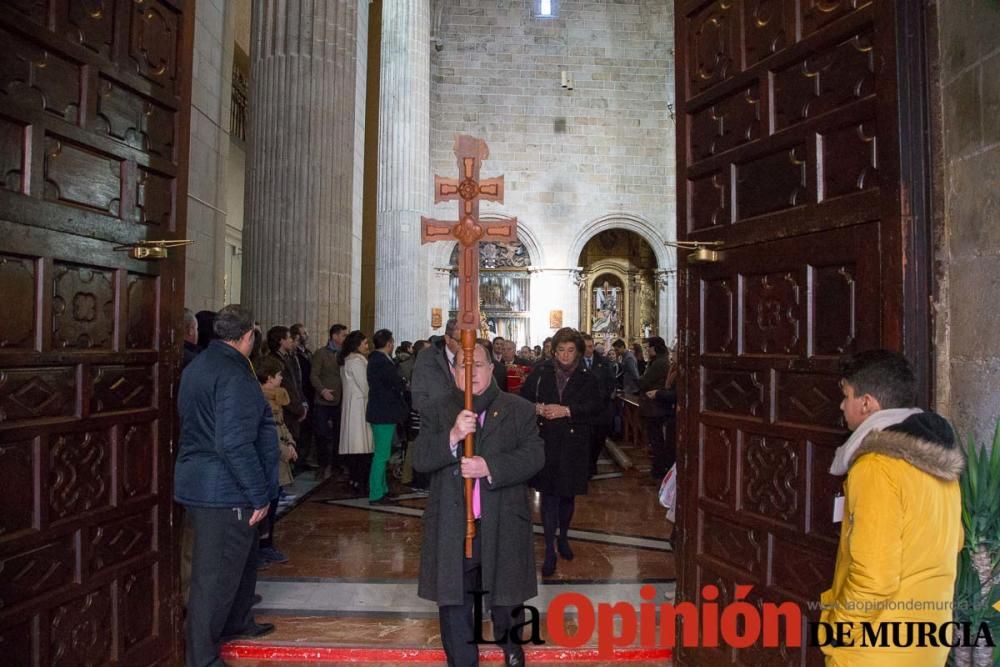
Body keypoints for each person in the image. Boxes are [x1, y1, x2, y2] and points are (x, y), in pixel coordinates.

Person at [820, 350, 963, 667]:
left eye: (846, 396)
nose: (842, 406)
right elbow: (956, 542)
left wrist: (839, 632)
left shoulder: (876, 467)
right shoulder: (938, 457)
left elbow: (874, 578)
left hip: (877, 648)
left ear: (867, 403)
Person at [413, 341, 544, 667]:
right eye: (462, 366)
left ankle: (511, 643)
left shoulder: (518, 408)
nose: (470, 372)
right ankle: (462, 660)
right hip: (453, 522)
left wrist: (490, 467)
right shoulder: (438, 410)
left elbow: (535, 456)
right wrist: (453, 437)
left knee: (505, 592)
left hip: (500, 517)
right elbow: (419, 458)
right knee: (454, 597)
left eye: (478, 365)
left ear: (491, 368)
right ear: (453, 371)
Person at [174, 304, 278, 665]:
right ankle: (202, 658)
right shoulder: (234, 374)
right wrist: (257, 494)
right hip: (224, 489)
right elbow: (233, 442)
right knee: (213, 579)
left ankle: (238, 620)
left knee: (238, 562)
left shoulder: (200, 364)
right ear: (249, 335)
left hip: (204, 480)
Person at [520, 327, 603, 577]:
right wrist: (538, 408)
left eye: (570, 350)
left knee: (567, 496)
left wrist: (567, 411)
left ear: (577, 352)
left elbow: (597, 407)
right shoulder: (542, 372)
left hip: (574, 443)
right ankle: (548, 550)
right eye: (560, 350)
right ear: (553, 351)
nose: (565, 355)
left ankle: (563, 537)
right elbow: (523, 400)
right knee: (548, 497)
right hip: (547, 441)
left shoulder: (587, 376)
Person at [256, 356, 299, 566]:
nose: (283, 378)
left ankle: (267, 544)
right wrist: (284, 450)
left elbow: (281, 424)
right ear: (270, 378)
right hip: (269, 457)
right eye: (280, 375)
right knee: (266, 503)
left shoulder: (277, 397)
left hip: (280, 455)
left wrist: (291, 443)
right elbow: (266, 431)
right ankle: (261, 547)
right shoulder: (261, 398)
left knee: (273, 503)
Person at [367, 329, 407, 505]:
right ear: (389, 343)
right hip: (383, 412)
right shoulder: (380, 361)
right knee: (381, 455)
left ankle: (382, 488)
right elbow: (395, 381)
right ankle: (376, 493)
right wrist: (403, 382)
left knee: (383, 453)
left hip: (382, 411)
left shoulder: (377, 359)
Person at [338, 330, 373, 493]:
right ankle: (359, 480)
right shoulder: (357, 361)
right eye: (365, 343)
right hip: (359, 406)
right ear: (357, 345)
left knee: (356, 445)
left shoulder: (348, 360)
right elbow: (365, 386)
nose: (367, 346)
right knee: (360, 445)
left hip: (353, 405)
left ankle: (355, 478)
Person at [311, 324, 347, 480]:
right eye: (344, 335)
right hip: (323, 401)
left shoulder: (345, 355)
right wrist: (323, 391)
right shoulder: (321, 354)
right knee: (321, 434)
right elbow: (314, 376)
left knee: (340, 433)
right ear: (335, 336)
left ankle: (337, 464)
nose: (346, 338)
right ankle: (322, 464)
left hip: (341, 400)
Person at [581, 333, 615, 476]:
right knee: (585, 441)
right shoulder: (576, 362)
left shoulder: (603, 362)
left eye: (590, 346)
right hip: (584, 410)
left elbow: (610, 382)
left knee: (598, 440)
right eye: (585, 347)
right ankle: (587, 467)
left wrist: (602, 399)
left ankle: (592, 462)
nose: (589, 350)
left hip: (601, 410)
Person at [639, 336, 672, 478]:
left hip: (655, 408)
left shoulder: (659, 363)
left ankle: (658, 471)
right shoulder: (659, 361)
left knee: (656, 440)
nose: (647, 350)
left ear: (655, 348)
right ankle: (657, 469)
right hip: (655, 407)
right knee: (655, 439)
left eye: (649, 347)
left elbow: (644, 382)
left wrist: (641, 380)